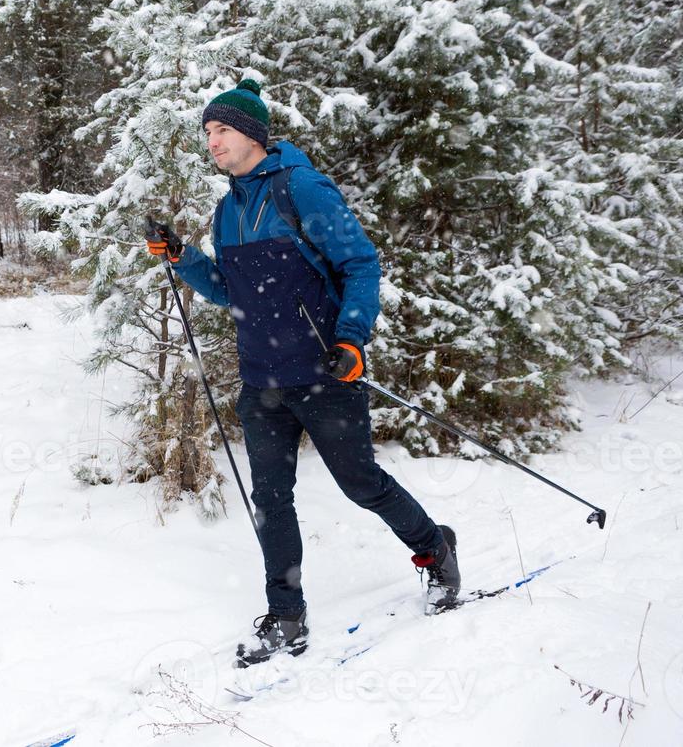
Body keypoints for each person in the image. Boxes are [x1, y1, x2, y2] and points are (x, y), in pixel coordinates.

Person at [144, 77, 461, 667]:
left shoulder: (303, 189)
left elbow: (361, 265)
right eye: (207, 132)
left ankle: (435, 550)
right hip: (261, 379)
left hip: (323, 374)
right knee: (271, 499)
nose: (211, 142)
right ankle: (286, 614)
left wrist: (351, 338)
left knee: (361, 484)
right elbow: (227, 291)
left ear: (253, 134)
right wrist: (184, 258)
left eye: (222, 130)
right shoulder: (226, 210)